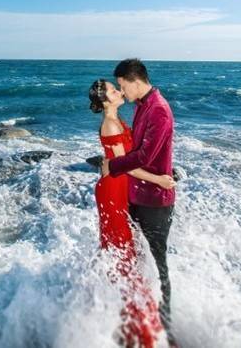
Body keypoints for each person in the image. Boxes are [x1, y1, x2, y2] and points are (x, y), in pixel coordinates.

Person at [89, 78, 172, 348]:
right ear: (105, 101)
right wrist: (159, 180)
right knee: (124, 255)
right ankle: (137, 333)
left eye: (118, 87)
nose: (119, 91)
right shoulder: (111, 123)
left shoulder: (118, 119)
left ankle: (133, 327)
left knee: (130, 255)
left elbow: (118, 158)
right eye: (114, 90)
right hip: (113, 190)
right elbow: (125, 166)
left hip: (121, 189)